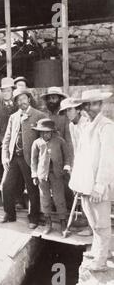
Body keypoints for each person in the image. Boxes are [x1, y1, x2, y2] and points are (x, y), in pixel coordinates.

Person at [69, 89, 114, 272]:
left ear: (100, 105)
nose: (91, 108)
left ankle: (101, 261)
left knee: (102, 223)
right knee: (92, 220)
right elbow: (81, 157)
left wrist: (100, 186)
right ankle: (100, 251)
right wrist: (77, 182)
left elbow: (107, 159)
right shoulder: (87, 126)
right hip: (86, 183)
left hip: (98, 185)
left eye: (95, 104)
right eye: (88, 104)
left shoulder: (106, 126)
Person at [0, 88, 47, 228]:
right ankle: (9, 214)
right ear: (16, 103)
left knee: (32, 188)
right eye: (18, 100)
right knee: (6, 185)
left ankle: (34, 218)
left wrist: (39, 162)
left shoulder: (39, 115)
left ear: (29, 99)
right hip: (14, 158)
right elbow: (7, 139)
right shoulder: (13, 117)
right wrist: (5, 156)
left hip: (30, 159)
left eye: (24, 99)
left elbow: (43, 141)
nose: (22, 102)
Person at [31, 118, 71, 235]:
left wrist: (66, 166)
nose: (45, 134)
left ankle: (63, 222)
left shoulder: (60, 141)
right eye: (42, 132)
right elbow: (33, 160)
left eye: (48, 132)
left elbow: (67, 156)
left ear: (52, 132)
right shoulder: (37, 143)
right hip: (42, 175)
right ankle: (48, 222)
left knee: (59, 198)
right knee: (45, 198)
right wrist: (34, 175)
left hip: (57, 174)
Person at [0, 77, 26, 210]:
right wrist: (4, 141)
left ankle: (20, 199)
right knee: (9, 177)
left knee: (22, 176)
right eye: (3, 91)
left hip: (21, 147)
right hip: (7, 148)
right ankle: (11, 203)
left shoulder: (20, 107)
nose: (6, 93)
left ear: (13, 91)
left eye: (8, 90)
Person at [59, 97, 92, 237]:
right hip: (81, 162)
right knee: (81, 194)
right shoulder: (72, 125)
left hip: (91, 164)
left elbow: (90, 149)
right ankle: (85, 220)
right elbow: (76, 147)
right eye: (66, 111)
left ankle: (92, 228)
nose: (68, 113)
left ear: (78, 109)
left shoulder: (87, 124)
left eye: (70, 110)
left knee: (89, 196)